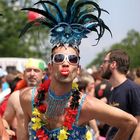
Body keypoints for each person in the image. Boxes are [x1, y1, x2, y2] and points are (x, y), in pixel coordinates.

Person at [19, 1, 137, 140]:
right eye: (59, 58)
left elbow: (130, 122)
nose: (66, 63)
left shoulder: (87, 105)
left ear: (78, 69)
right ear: (50, 67)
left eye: (73, 59)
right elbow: (24, 134)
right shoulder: (27, 98)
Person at [100, 49, 140, 140]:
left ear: (113, 64)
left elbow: (139, 125)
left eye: (105, 62)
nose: (101, 66)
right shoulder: (114, 90)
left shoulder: (132, 89)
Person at [3, 58, 46, 140]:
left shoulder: (49, 97)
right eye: (28, 70)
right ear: (24, 74)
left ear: (43, 75)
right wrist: (6, 130)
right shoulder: (15, 96)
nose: (32, 74)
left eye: (36, 71)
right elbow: (5, 119)